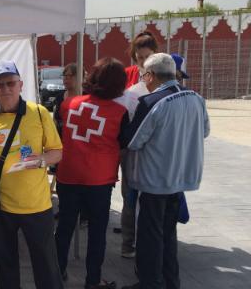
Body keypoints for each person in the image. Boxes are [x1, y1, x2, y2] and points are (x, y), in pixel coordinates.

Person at [0, 60, 64, 289]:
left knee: (46, 266)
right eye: (0, 85)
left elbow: (57, 152)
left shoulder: (39, 113)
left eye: (10, 83)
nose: (6, 89)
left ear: (20, 84)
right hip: (0, 207)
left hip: (36, 205)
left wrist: (42, 159)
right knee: (5, 265)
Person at [121, 53, 209, 289]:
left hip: (155, 181)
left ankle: (150, 283)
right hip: (182, 179)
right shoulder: (197, 98)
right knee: (169, 235)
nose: (143, 81)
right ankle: (171, 281)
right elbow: (205, 132)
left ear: (150, 75)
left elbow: (133, 142)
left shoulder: (150, 103)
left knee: (150, 237)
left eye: (143, 76)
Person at [55, 58, 130, 289]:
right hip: (99, 180)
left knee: (64, 227)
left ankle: (56, 274)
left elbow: (58, 132)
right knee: (98, 233)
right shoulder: (120, 112)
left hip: (68, 175)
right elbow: (124, 143)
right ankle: (93, 281)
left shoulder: (69, 104)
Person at [118, 31, 160, 258]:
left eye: (147, 56)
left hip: (156, 149)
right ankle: (128, 242)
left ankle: (150, 240)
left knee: (152, 197)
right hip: (131, 147)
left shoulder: (164, 74)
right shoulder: (128, 76)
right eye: (139, 57)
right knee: (129, 194)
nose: (143, 62)